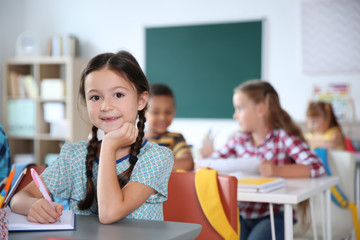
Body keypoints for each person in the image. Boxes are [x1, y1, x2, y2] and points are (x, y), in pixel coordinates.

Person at [10, 51, 174, 224]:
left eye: (118, 95)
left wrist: (109, 146)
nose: (105, 106)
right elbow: (18, 198)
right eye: (95, 97)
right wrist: (32, 205)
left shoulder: (156, 157)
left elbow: (109, 213)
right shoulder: (74, 155)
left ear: (141, 100)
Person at [199, 80, 325, 240]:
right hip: (242, 215)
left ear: (260, 109)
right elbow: (211, 160)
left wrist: (277, 171)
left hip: (274, 216)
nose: (235, 115)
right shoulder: (239, 140)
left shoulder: (283, 138)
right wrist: (203, 163)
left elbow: (316, 166)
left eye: (240, 108)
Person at [145, 83, 194, 171]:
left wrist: (149, 166)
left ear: (174, 111)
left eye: (168, 112)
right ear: (143, 112)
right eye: (155, 112)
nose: (162, 117)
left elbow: (188, 163)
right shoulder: (135, 139)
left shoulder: (176, 138)